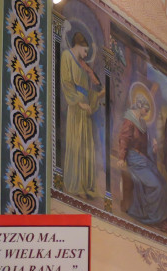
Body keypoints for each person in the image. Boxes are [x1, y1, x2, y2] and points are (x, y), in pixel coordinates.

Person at [116, 94, 167, 232]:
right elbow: (124, 139)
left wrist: (152, 145)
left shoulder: (142, 122)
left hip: (144, 160)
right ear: (139, 106)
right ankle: (152, 216)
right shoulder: (129, 120)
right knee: (157, 186)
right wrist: (121, 157)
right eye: (146, 109)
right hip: (134, 160)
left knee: (163, 183)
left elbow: (145, 143)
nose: (147, 112)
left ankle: (161, 218)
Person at [60, 31, 104, 199]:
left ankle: (86, 186)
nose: (86, 55)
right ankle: (76, 184)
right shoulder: (66, 56)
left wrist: (97, 96)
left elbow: (87, 91)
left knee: (87, 147)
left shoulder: (81, 64)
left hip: (84, 109)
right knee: (76, 144)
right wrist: (79, 101)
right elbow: (66, 82)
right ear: (78, 46)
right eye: (85, 51)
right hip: (76, 108)